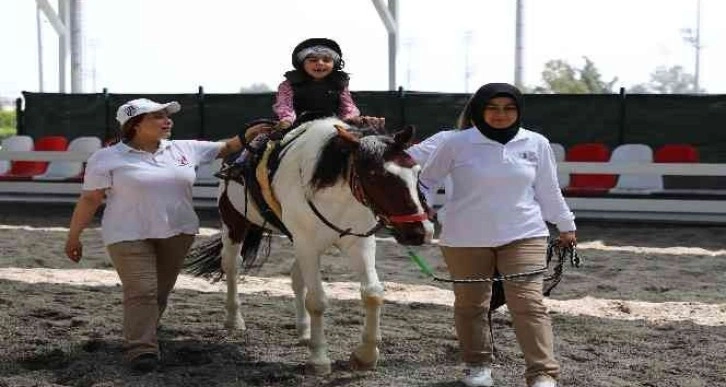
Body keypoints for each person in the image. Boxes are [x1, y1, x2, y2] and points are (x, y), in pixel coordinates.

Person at [64, 98, 245, 373]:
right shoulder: (106, 158)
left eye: (167, 115)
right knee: (142, 290)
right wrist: (73, 236)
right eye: (157, 116)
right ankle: (141, 349)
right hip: (126, 233)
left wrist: (252, 133)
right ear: (134, 125)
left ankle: (145, 330)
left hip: (178, 232)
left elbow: (228, 147)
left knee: (159, 292)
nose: (167, 120)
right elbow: (90, 199)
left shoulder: (184, 148)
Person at [418, 83, 576, 387]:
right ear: (479, 110)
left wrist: (566, 225)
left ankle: (542, 373)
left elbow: (548, 189)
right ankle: (478, 367)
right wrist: (423, 207)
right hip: (464, 238)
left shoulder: (536, 143)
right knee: (471, 305)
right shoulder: (456, 143)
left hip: (525, 234)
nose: (501, 114)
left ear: (519, 111)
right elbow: (425, 182)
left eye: (509, 108)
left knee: (529, 304)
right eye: (493, 108)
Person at [221, 38, 383, 178]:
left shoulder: (340, 84)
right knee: (261, 138)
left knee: (361, 143)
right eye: (312, 60)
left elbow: (348, 107)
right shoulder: (289, 84)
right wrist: (286, 120)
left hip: (333, 125)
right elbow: (284, 105)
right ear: (302, 63)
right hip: (295, 124)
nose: (320, 63)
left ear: (334, 64)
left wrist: (354, 119)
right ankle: (239, 165)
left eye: (326, 59)